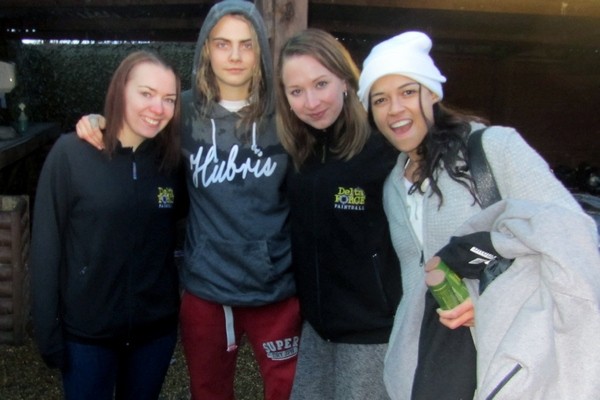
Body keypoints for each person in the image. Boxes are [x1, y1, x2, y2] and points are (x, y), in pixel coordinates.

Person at [75, 1, 301, 399]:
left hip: (274, 287)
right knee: (208, 392)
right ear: (206, 49)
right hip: (206, 288)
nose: (234, 56)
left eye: (246, 45)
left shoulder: (286, 113)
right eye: (222, 44)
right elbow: (136, 130)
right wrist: (100, 120)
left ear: (261, 52)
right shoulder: (181, 111)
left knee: (289, 391)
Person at [358, 31, 600, 399]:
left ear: (433, 93)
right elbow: (413, 289)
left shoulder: (493, 148)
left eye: (408, 91)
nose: (395, 109)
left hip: (509, 359)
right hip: (431, 369)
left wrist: (490, 299)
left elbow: (571, 234)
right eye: (380, 99)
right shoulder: (394, 184)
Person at [30, 50, 186, 400]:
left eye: (169, 99)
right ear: (120, 91)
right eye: (146, 94)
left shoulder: (173, 163)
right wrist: (47, 331)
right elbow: (45, 246)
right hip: (88, 336)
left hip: (153, 334)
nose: (157, 108)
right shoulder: (71, 154)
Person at [276, 28, 402, 400]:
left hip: (371, 334)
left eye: (321, 84)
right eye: (296, 91)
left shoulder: (384, 150)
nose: (311, 101)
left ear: (345, 81)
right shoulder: (299, 153)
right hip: (316, 330)